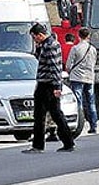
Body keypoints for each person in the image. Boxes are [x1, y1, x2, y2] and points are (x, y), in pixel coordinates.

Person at [22, 23, 75, 154]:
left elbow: (55, 67)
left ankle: (46, 145)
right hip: (45, 83)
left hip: (48, 84)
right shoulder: (47, 44)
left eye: (35, 38)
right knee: (42, 115)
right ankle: (62, 142)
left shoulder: (50, 45)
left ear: (40, 35)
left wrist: (57, 86)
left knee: (53, 114)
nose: (35, 41)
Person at [66, 28, 98, 134]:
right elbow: (94, 62)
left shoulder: (75, 48)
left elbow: (68, 65)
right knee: (91, 102)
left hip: (76, 77)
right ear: (88, 36)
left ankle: (80, 123)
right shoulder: (92, 49)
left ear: (78, 35)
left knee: (78, 101)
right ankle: (93, 125)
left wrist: (70, 71)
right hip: (89, 77)